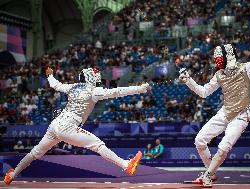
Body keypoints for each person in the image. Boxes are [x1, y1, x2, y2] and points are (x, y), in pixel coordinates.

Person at [4, 67, 151, 185]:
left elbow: (56, 85)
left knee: (35, 153)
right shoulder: (94, 91)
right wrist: (140, 89)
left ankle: (12, 175)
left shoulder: (74, 87)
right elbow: (117, 91)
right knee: (98, 145)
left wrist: (50, 75)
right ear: (92, 78)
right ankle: (126, 165)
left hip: (55, 125)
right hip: (68, 127)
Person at [179, 36, 250, 188]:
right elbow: (203, 92)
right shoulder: (219, 75)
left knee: (224, 147)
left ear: (228, 57)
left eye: (220, 58)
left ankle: (207, 175)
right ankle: (211, 174)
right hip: (225, 112)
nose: (217, 61)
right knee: (199, 140)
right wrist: (189, 80)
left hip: (241, 115)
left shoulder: (246, 68)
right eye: (216, 58)